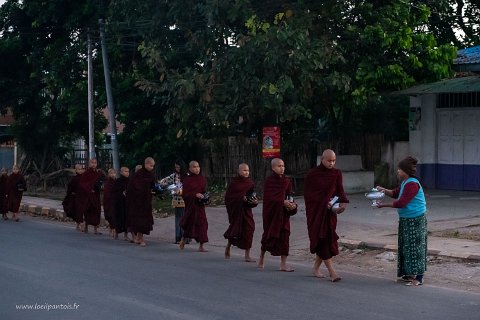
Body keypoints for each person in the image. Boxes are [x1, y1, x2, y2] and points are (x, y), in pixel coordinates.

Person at [376, 155, 427, 286]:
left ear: (405, 171)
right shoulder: (406, 182)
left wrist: (383, 205)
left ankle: (419, 277)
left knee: (416, 247)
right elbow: (395, 193)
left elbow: (401, 203)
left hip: (415, 220)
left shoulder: (412, 184)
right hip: (406, 219)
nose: (397, 171)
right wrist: (383, 190)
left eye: (399, 169)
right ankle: (409, 274)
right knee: (406, 246)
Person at [304, 149, 349, 282]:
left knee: (327, 239)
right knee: (321, 239)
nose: (331, 163)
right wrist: (323, 203)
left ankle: (315, 268)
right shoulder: (312, 174)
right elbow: (308, 195)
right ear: (322, 159)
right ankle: (332, 271)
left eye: (334, 160)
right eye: (329, 160)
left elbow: (340, 190)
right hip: (316, 213)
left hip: (330, 214)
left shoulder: (336, 173)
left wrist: (343, 204)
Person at [257, 158, 297, 272]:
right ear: (273, 168)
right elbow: (269, 199)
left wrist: (292, 204)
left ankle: (283, 264)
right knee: (268, 236)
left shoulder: (286, 181)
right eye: (279, 166)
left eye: (283, 166)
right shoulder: (269, 181)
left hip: (283, 214)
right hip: (272, 214)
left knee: (285, 237)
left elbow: (289, 196)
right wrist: (281, 202)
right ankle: (261, 257)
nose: (282, 168)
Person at [223, 163, 258, 262]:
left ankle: (247, 255)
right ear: (238, 171)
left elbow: (251, 195)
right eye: (244, 170)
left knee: (249, 230)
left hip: (246, 210)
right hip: (237, 211)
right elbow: (228, 198)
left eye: (247, 170)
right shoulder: (234, 183)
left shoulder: (250, 183)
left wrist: (254, 201)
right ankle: (228, 247)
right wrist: (240, 198)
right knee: (235, 230)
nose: (246, 172)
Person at [179, 161, 209, 252]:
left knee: (203, 224)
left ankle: (201, 246)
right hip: (192, 206)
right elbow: (185, 194)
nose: (197, 169)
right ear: (190, 169)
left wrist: (205, 197)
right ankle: (183, 239)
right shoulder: (187, 180)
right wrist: (195, 195)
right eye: (194, 167)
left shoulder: (202, 179)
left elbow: (204, 191)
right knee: (190, 224)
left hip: (200, 206)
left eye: (198, 166)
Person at [126, 157, 156, 246]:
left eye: (153, 166)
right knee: (139, 220)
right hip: (137, 202)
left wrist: (154, 190)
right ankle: (140, 239)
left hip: (146, 201)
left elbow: (152, 185)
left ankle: (139, 237)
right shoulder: (138, 174)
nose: (152, 168)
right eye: (151, 166)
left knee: (145, 220)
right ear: (146, 164)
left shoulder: (150, 174)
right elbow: (132, 187)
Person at [159, 159, 186, 244]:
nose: (177, 168)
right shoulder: (173, 176)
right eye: (176, 167)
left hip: (186, 200)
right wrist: (162, 184)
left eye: (178, 167)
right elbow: (163, 181)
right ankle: (178, 238)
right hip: (177, 200)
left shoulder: (187, 176)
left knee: (186, 218)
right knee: (178, 219)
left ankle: (186, 237)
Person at [78, 158, 105, 234]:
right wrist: (90, 189)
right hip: (88, 195)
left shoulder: (98, 173)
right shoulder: (86, 173)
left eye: (95, 163)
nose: (94, 164)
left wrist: (101, 187)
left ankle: (96, 229)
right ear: (89, 164)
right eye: (92, 163)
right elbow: (83, 184)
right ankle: (86, 227)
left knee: (97, 211)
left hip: (96, 195)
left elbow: (101, 182)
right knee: (88, 211)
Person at [62, 164, 85, 231]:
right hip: (75, 197)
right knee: (77, 211)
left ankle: (79, 224)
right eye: (79, 169)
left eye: (81, 169)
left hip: (82, 197)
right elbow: (70, 188)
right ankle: (80, 224)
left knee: (80, 211)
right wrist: (71, 193)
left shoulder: (84, 178)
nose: (80, 171)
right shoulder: (74, 179)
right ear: (76, 170)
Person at [113, 167, 130, 241]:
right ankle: (116, 233)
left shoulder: (130, 181)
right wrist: (121, 193)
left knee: (126, 219)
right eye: (125, 171)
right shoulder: (118, 181)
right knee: (119, 218)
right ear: (121, 172)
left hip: (127, 203)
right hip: (119, 203)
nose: (127, 173)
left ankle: (126, 235)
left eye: (128, 171)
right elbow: (114, 192)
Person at [103, 168, 117, 238]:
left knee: (114, 216)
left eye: (114, 173)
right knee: (109, 216)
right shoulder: (107, 183)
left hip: (115, 202)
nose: (113, 174)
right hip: (108, 202)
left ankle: (114, 230)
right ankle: (111, 228)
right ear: (108, 174)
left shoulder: (117, 182)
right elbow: (106, 193)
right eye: (111, 173)